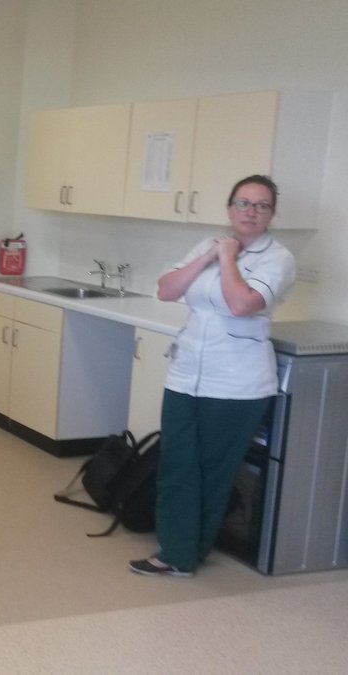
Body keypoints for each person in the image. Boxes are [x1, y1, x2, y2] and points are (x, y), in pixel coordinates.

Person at [130, 175, 296, 577]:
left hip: (236, 382)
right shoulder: (209, 245)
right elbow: (167, 290)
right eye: (243, 203)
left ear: (272, 214)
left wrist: (227, 260)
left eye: (261, 206)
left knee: (213, 470)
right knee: (177, 463)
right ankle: (179, 550)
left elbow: (242, 304)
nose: (251, 212)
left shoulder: (278, 258)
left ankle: (181, 554)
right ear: (229, 208)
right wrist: (209, 255)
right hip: (186, 373)